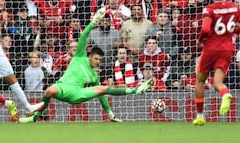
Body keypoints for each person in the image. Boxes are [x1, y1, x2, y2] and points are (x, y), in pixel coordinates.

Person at [19, 7, 154, 123]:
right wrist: (93, 23)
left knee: (103, 88)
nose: (98, 62)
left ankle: (134, 90)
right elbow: (83, 36)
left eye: (100, 60)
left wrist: (109, 114)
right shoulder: (79, 57)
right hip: (62, 87)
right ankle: (36, 116)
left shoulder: (94, 75)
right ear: (90, 56)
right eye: (96, 59)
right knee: (49, 91)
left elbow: (101, 97)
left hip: (78, 94)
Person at [193, 0, 240, 126]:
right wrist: (233, 30)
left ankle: (200, 116)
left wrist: (199, 40)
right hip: (227, 48)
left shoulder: (209, 9)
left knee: (200, 80)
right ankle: (225, 93)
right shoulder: (234, 7)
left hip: (211, 48)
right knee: (218, 82)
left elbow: (205, 29)